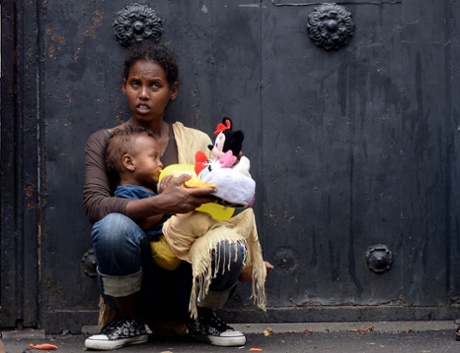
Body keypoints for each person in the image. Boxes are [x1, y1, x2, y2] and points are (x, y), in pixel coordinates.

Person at [83, 41, 272, 351]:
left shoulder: (196, 140)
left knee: (229, 242)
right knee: (112, 228)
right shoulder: (105, 141)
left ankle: (204, 316)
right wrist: (163, 203)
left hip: (189, 271)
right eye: (135, 84)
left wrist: (250, 259)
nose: (143, 94)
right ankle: (129, 321)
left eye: (154, 85)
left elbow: (222, 201)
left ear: (172, 91)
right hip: (137, 272)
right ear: (124, 87)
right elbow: (94, 205)